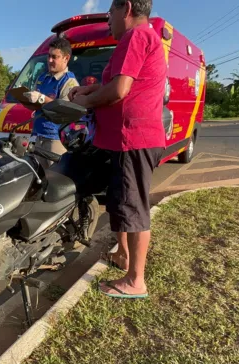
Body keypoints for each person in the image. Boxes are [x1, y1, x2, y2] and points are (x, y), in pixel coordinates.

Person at [70, 0, 166, 299]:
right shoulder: (141, 38)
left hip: (132, 138)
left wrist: (85, 101)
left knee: (134, 207)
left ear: (125, 8)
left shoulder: (136, 36)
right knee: (119, 201)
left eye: (110, 12)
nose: (108, 19)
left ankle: (136, 281)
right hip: (122, 139)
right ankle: (123, 255)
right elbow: (113, 83)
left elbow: (118, 90)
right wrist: (88, 90)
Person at [22, 37, 80, 168]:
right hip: (38, 137)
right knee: (38, 179)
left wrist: (41, 98)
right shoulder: (42, 78)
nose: (49, 60)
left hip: (56, 140)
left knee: (54, 179)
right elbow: (38, 105)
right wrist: (26, 100)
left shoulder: (69, 82)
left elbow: (65, 110)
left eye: (54, 57)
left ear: (66, 58)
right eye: (49, 56)